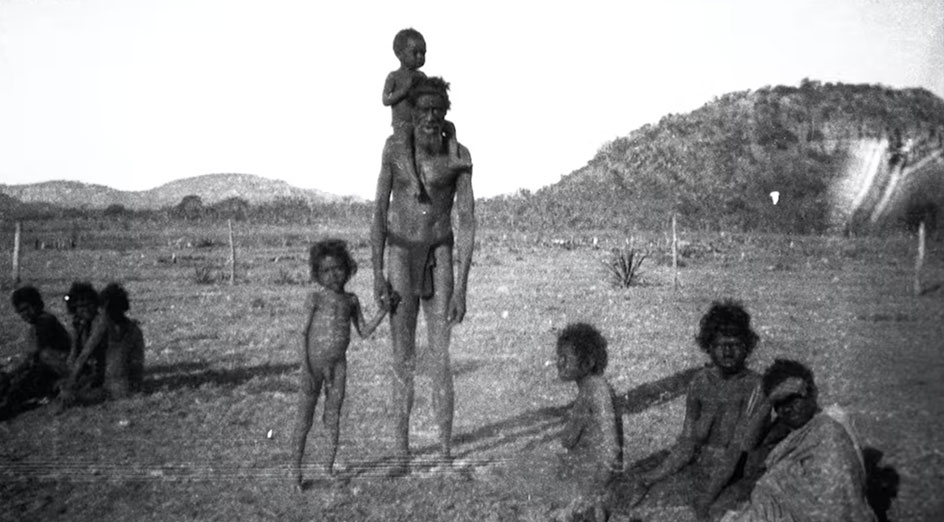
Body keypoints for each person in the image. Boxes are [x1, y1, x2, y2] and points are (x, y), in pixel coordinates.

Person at [371, 75, 474, 476]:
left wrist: (461, 287)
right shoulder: (395, 150)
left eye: (437, 109)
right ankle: (401, 454)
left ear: (446, 112)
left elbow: (466, 219)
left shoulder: (459, 155)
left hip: (440, 253)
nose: (430, 117)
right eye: (423, 109)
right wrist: (377, 275)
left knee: (441, 358)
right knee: (402, 359)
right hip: (400, 253)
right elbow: (379, 211)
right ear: (411, 113)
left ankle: (445, 453)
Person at [638, 299, 770, 520]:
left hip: (736, 477)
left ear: (747, 347)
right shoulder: (700, 383)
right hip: (699, 468)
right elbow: (687, 443)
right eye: (720, 345)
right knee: (650, 502)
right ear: (708, 347)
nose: (728, 352)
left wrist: (707, 497)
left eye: (735, 345)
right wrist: (653, 476)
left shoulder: (755, 387)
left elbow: (735, 452)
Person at [291, 239, 395, 490]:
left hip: (338, 367)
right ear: (317, 274)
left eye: (338, 268)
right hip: (313, 366)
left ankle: (328, 467)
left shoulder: (351, 300)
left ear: (347, 269)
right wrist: (305, 368)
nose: (333, 275)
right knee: (304, 419)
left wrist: (384, 310)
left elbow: (364, 331)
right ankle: (295, 472)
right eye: (326, 271)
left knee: (333, 417)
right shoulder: (315, 299)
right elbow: (302, 334)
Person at [719, 359, 877, 522]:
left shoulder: (828, 432)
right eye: (779, 404)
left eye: (793, 398)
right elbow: (748, 444)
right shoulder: (792, 431)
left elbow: (836, 507)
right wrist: (769, 401)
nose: (787, 409)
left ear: (813, 393)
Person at [382, 28, 466, 202]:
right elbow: (386, 99)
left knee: (449, 127)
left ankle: (453, 158)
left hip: (420, 122)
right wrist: (405, 90)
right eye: (415, 53)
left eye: (423, 53)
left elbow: (427, 96)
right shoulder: (394, 77)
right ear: (399, 54)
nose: (420, 57)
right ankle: (413, 181)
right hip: (402, 124)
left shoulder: (421, 76)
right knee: (405, 147)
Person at [553, 323, 623, 522]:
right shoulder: (587, 391)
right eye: (559, 356)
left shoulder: (597, 389)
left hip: (598, 492)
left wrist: (590, 497)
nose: (559, 362)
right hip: (587, 485)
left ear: (588, 362)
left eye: (566, 357)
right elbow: (569, 440)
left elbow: (612, 451)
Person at [59, 282, 145, 407]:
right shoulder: (128, 327)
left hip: (117, 388)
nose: (86, 310)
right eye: (81, 307)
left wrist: (70, 384)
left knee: (71, 396)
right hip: (123, 385)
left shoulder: (103, 323)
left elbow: (84, 355)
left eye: (89, 305)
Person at [0, 286, 71, 418]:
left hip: (57, 368)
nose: (25, 314)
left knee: (17, 388)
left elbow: (35, 355)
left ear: (38, 305)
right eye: (21, 311)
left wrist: (10, 374)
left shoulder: (45, 321)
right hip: (47, 367)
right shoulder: (35, 326)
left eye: (27, 309)